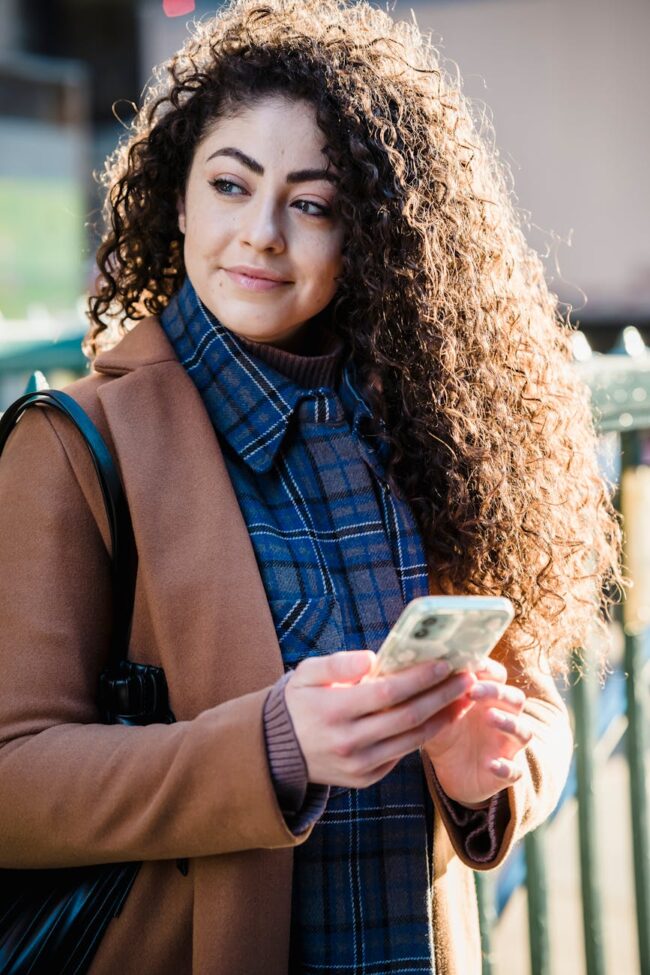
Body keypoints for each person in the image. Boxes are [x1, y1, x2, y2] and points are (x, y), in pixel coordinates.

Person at [0, 1, 623, 973]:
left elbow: (525, 702)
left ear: (366, 231)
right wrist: (268, 748)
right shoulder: (78, 447)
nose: (259, 235)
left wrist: (487, 774)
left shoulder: (433, 431)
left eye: (311, 203)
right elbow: (11, 784)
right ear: (177, 198)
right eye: (229, 186)